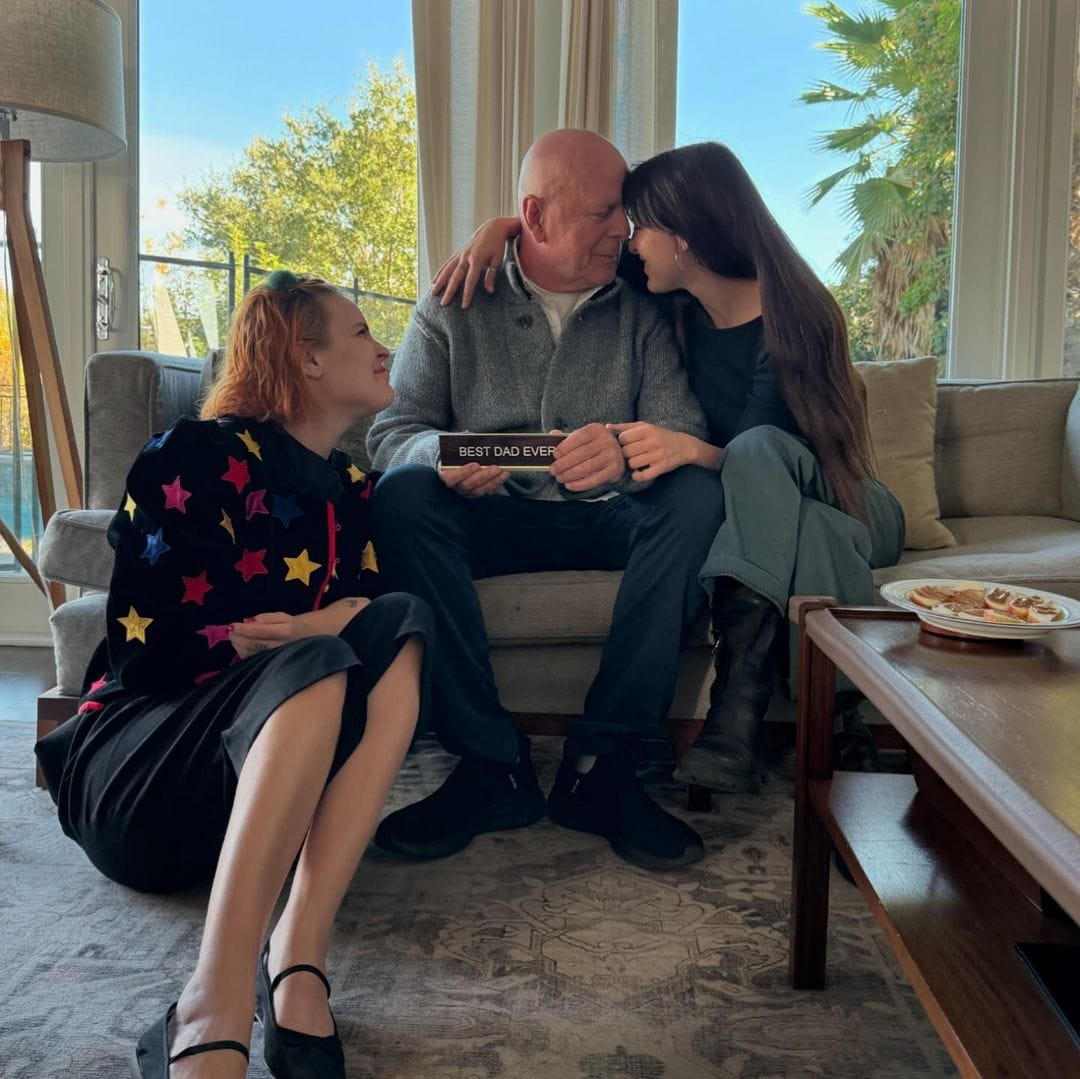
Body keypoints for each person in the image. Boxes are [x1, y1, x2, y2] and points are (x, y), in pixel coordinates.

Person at [35, 271, 432, 1079]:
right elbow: (151, 651)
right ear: (307, 357)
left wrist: (313, 626)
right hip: (137, 778)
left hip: (252, 806)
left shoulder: (353, 493)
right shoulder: (196, 455)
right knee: (317, 661)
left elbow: (367, 613)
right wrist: (304, 639)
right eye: (361, 331)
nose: (385, 348)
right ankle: (208, 1004)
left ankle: (297, 954)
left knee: (401, 624)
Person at [435, 140, 905, 797]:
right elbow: (555, 239)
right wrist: (499, 231)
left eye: (640, 225)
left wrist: (686, 449)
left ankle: (739, 704)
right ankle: (837, 725)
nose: (628, 240)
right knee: (809, 530)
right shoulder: (667, 297)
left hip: (848, 500)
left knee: (769, 461)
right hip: (791, 526)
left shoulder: (798, 315)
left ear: (684, 237)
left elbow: (761, 455)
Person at [367, 128, 726, 872]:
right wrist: (444, 456)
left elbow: (683, 432)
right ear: (535, 216)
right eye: (602, 213)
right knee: (402, 494)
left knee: (695, 494)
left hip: (610, 516)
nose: (622, 230)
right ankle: (490, 765)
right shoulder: (452, 301)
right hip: (489, 518)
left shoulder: (643, 305)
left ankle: (603, 764)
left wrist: (625, 451)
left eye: (624, 213)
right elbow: (391, 432)